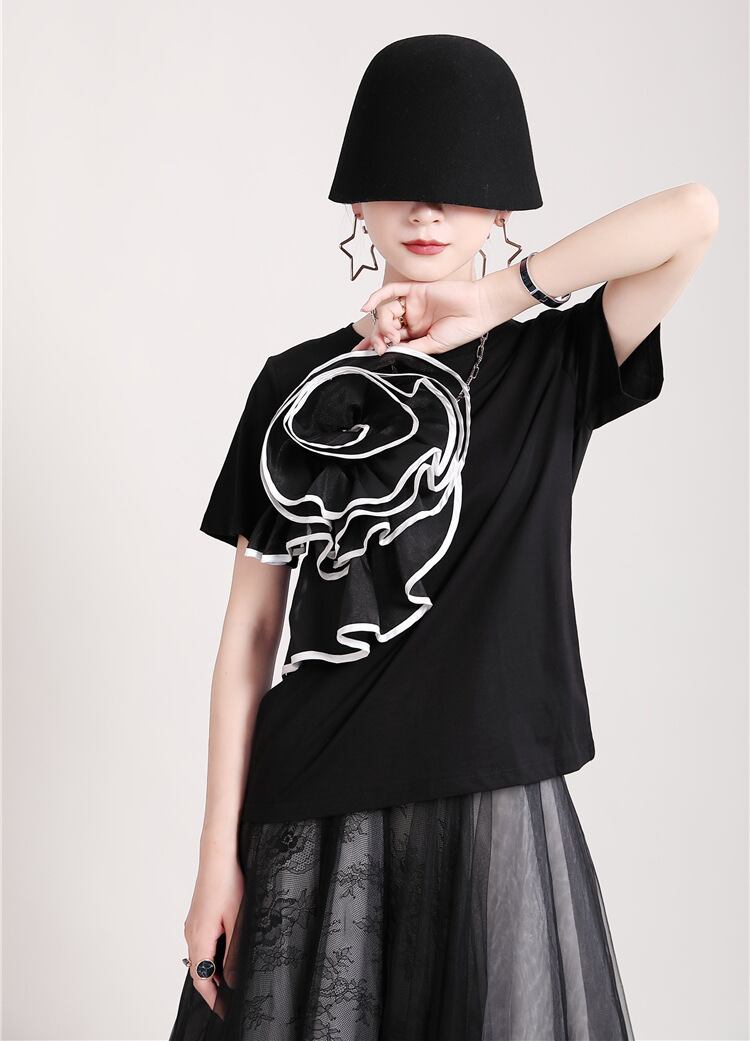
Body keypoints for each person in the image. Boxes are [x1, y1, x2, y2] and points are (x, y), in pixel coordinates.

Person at [168, 34, 718, 1041]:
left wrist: (499, 298)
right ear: (356, 205)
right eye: (401, 184)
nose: (427, 212)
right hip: (314, 808)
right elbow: (248, 634)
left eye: (461, 189)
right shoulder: (292, 384)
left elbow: (694, 216)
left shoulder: (554, 361)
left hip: (494, 802)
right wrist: (214, 859)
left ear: (503, 210)